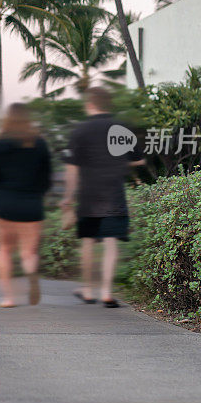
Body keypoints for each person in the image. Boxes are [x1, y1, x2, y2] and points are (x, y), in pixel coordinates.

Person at [61, 87, 145, 308]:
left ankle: (88, 290)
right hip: (113, 193)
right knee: (110, 243)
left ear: (89, 104)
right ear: (109, 104)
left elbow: (71, 169)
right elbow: (139, 160)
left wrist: (68, 198)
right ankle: (107, 292)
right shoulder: (119, 128)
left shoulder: (80, 130)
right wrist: (119, 163)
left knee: (88, 241)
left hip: (88, 195)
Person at [0, 103, 51, 308]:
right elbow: (47, 178)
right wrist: (37, 194)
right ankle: (31, 272)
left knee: (5, 250)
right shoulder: (39, 143)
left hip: (4, 204)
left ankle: (9, 298)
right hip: (32, 205)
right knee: (29, 252)